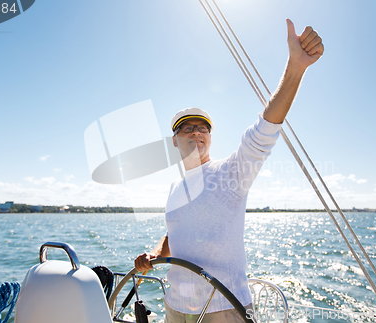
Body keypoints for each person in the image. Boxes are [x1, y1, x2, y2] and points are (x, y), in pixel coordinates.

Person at [134, 18, 324, 322]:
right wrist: (157, 252)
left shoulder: (229, 175)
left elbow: (263, 132)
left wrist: (296, 68)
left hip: (222, 308)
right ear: (174, 141)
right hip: (175, 307)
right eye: (187, 128)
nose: (196, 132)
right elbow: (175, 231)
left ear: (210, 137)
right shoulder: (173, 189)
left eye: (203, 128)